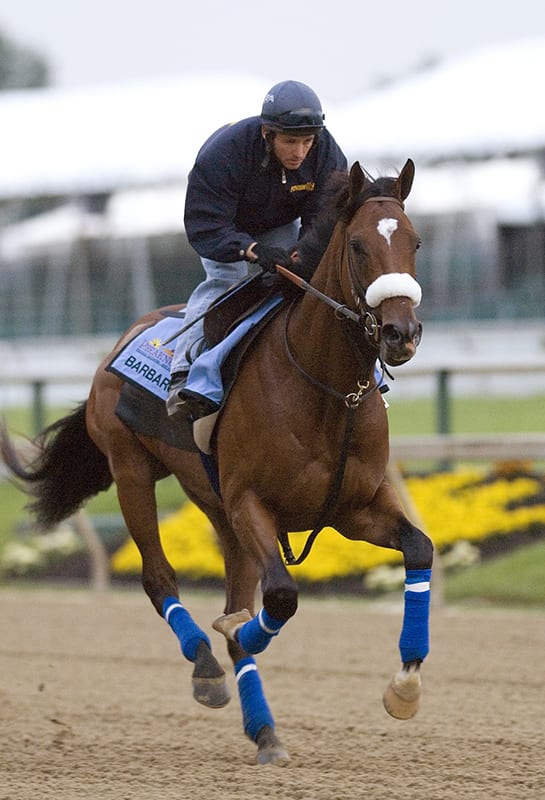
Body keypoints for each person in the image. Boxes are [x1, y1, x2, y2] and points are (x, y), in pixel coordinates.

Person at [166, 79, 348, 418]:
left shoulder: (325, 152)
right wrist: (251, 249)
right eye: (290, 141)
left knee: (302, 283)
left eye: (307, 142)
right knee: (226, 281)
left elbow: (324, 214)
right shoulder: (223, 154)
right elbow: (207, 224)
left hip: (279, 223)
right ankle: (182, 373)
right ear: (267, 134)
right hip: (224, 224)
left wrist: (304, 254)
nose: (299, 152)